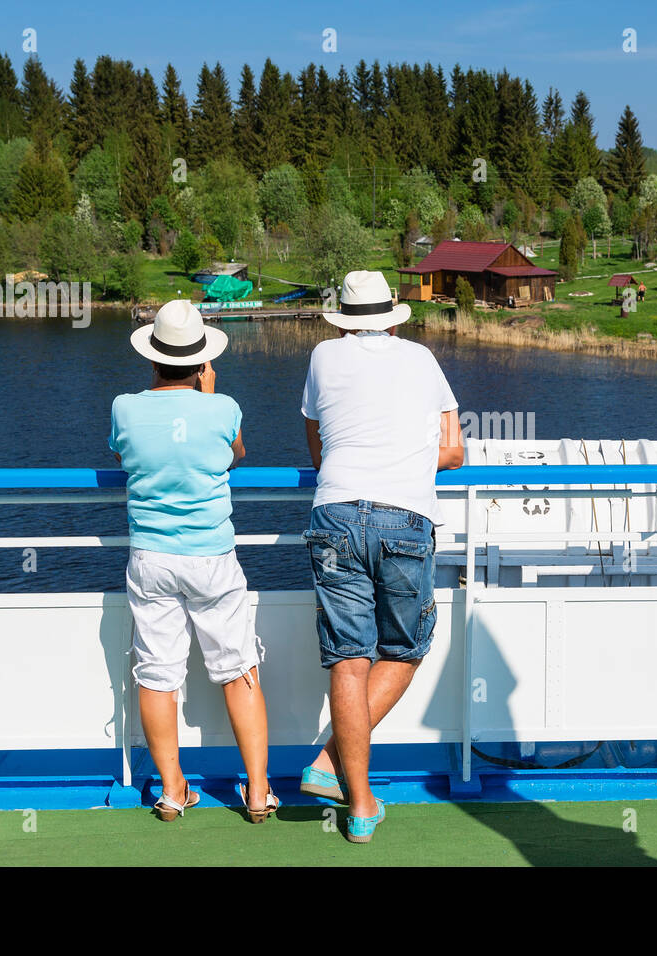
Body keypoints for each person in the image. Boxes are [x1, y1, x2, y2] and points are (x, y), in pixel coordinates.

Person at [299, 270, 463, 843]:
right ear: (392, 316)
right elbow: (455, 451)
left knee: (348, 659)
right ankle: (326, 764)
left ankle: (359, 802)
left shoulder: (322, 356)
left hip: (334, 513)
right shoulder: (421, 360)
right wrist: (413, 459)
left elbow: (318, 442)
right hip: (404, 516)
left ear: (342, 316)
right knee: (405, 647)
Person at [110, 299, 277, 823]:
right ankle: (256, 792)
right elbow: (235, 453)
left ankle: (172, 791)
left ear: (152, 359)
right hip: (211, 556)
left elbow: (124, 454)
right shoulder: (223, 407)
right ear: (202, 360)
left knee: (157, 673)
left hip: (151, 557)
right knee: (237, 668)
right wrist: (207, 397)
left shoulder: (124, 407)